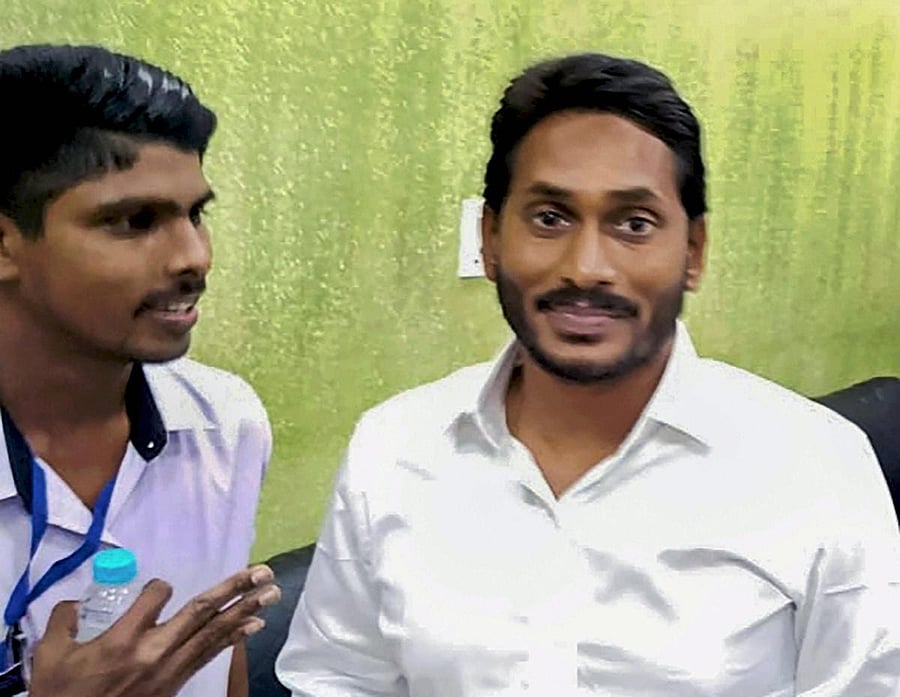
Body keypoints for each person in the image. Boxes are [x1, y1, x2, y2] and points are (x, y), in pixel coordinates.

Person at [276, 53, 900, 695]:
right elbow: (337, 682)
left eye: (634, 223)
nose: (586, 267)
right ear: (491, 239)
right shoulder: (393, 449)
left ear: (694, 252)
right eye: (550, 218)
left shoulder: (817, 466)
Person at [0, 44, 279, 697]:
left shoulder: (224, 422)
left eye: (196, 214)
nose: (194, 255)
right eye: (135, 220)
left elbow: (218, 652)